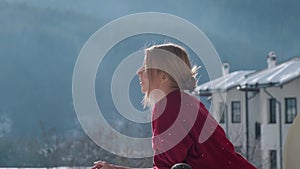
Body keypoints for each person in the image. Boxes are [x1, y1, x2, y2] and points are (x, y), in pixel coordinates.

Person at [92, 43, 257, 169]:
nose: (139, 72)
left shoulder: (170, 107)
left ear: (163, 76)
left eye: (147, 66)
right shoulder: (186, 102)